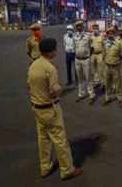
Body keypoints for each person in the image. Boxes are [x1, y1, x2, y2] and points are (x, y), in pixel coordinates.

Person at [27, 38, 82, 180]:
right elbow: (54, 91)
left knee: (43, 139)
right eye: (55, 49)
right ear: (50, 52)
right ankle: (67, 169)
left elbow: (28, 85)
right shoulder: (50, 68)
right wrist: (59, 89)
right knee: (60, 139)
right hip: (49, 108)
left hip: (36, 107)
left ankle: (45, 167)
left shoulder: (33, 65)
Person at [103, 27, 122, 106]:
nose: (110, 34)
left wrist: (117, 61)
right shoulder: (105, 43)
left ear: (114, 34)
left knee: (118, 83)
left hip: (116, 66)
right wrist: (106, 62)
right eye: (109, 33)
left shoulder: (118, 43)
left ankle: (119, 98)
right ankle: (107, 98)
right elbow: (103, 54)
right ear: (107, 34)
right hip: (107, 66)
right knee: (107, 83)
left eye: (112, 33)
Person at [74, 20, 95, 104]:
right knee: (79, 78)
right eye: (77, 26)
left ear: (83, 26)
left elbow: (92, 47)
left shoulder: (88, 36)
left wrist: (89, 56)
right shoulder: (74, 36)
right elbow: (74, 48)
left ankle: (91, 95)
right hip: (77, 60)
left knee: (88, 78)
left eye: (80, 26)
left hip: (86, 59)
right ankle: (81, 94)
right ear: (76, 27)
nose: (79, 27)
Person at [90, 24, 105, 88]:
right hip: (93, 54)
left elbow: (104, 46)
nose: (95, 29)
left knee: (101, 69)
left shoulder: (102, 36)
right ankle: (96, 82)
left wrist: (104, 55)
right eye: (94, 28)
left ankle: (103, 83)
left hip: (100, 54)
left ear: (98, 29)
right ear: (92, 29)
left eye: (96, 28)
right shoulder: (91, 37)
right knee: (94, 70)